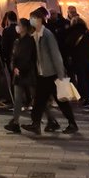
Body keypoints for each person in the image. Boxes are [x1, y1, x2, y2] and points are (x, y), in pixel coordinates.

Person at [22, 7, 79, 135]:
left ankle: (72, 123)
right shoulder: (36, 35)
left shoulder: (47, 34)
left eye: (33, 18)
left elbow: (55, 54)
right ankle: (36, 124)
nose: (31, 20)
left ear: (39, 20)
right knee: (39, 101)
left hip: (52, 74)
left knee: (61, 100)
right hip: (43, 73)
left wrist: (60, 74)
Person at [4, 18, 37, 133]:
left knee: (36, 98)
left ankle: (49, 119)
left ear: (24, 28)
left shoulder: (29, 41)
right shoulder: (17, 41)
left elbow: (28, 58)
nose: (17, 27)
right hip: (19, 74)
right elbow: (13, 56)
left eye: (19, 25)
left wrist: (20, 68)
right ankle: (15, 122)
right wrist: (14, 67)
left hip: (28, 73)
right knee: (18, 99)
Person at [62, 18, 89, 106]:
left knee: (82, 79)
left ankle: (86, 98)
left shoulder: (72, 33)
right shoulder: (87, 33)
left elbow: (68, 46)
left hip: (79, 60)